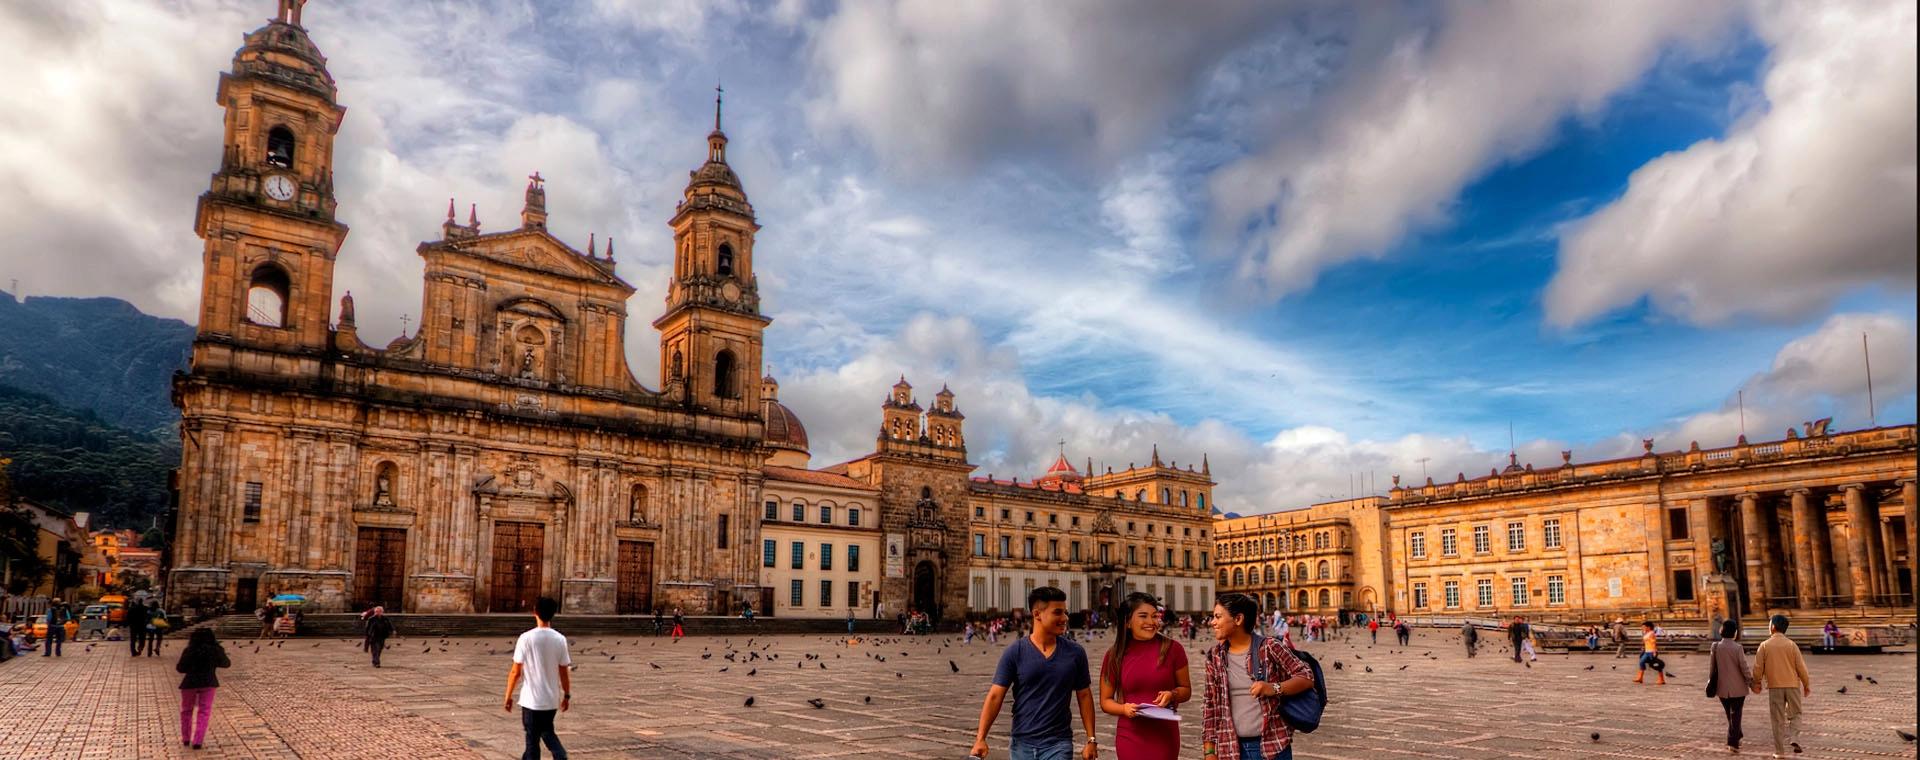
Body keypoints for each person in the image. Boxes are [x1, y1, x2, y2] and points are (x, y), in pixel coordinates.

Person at [970, 586, 1097, 760]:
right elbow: (995, 696)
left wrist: (1091, 739)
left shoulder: (1075, 653)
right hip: (1022, 743)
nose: (1065, 618)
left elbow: (1084, 696)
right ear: (1037, 614)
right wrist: (980, 738)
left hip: (1059, 743)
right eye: (1058, 613)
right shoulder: (1015, 651)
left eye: (1065, 612)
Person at [1203, 594, 1315, 760]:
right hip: (1230, 749)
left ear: (1238, 619)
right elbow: (1210, 705)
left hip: (1271, 748)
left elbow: (1306, 676)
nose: (1212, 622)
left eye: (1218, 617)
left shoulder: (1269, 647)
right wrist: (1209, 751)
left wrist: (1274, 688)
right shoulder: (1215, 656)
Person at [1097, 593, 1191, 760]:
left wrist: (1172, 694)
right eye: (1143, 616)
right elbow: (1105, 701)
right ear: (1127, 622)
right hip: (1130, 735)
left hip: (1164, 736)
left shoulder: (1173, 649)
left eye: (1155, 616)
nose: (1152, 622)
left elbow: (1186, 690)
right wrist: (1124, 709)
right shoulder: (1114, 655)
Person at [504, 597, 572, 760]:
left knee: (532, 740)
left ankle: (561, 755)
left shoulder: (526, 638)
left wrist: (508, 696)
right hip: (550, 700)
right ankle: (560, 755)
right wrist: (566, 695)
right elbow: (564, 671)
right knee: (547, 731)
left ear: (535, 611)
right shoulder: (560, 639)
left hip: (531, 700)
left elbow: (516, 672)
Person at [1752, 614, 1810, 758]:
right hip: (1792, 685)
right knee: (1796, 714)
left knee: (1777, 719)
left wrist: (1756, 682)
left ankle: (1779, 752)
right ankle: (1794, 738)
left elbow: (1758, 667)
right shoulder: (1791, 645)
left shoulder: (1764, 645)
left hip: (1775, 687)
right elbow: (1801, 667)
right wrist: (1806, 684)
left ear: (1772, 627)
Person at [175, 628, 231, 750]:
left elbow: (180, 668)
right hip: (208, 682)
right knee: (204, 711)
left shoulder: (189, 650)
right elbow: (226, 663)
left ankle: (186, 738)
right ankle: (198, 740)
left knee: (186, 710)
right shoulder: (215, 650)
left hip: (190, 683)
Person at [1708, 620, 1754, 754]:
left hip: (1722, 687)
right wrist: (1751, 683)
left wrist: (1712, 683)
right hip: (1738, 687)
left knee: (1730, 714)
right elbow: (1744, 667)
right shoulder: (1737, 648)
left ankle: (1737, 735)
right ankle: (1732, 742)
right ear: (1734, 632)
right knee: (1736, 714)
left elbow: (1712, 668)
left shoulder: (1715, 646)